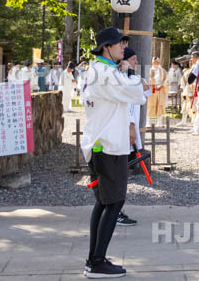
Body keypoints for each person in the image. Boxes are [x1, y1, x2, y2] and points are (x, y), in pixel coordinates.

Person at [80, 26, 147, 278]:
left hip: (103, 144)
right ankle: (96, 262)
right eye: (119, 43)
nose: (123, 46)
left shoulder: (99, 70)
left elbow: (138, 91)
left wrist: (130, 77)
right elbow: (139, 92)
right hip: (107, 146)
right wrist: (131, 74)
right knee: (114, 201)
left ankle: (94, 258)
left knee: (105, 201)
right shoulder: (105, 73)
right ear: (106, 47)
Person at [116, 45, 150, 228]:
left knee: (122, 172)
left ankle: (115, 210)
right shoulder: (120, 78)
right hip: (121, 132)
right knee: (117, 174)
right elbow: (127, 103)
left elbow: (146, 89)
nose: (136, 62)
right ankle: (115, 212)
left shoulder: (133, 78)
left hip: (128, 131)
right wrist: (130, 126)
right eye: (133, 59)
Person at [179, 53, 199, 127]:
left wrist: (192, 92)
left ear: (196, 58)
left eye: (192, 58)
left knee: (195, 108)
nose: (191, 61)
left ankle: (196, 125)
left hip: (194, 90)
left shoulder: (198, 67)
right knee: (188, 107)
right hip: (188, 90)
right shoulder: (189, 70)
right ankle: (193, 124)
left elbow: (194, 81)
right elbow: (185, 80)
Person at [146, 57, 167, 127]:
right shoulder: (149, 71)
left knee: (160, 105)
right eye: (154, 62)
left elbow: (166, 80)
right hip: (152, 90)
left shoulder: (163, 71)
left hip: (160, 90)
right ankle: (152, 123)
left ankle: (159, 122)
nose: (156, 64)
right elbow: (147, 80)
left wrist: (161, 85)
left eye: (157, 62)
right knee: (152, 106)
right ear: (152, 62)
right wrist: (153, 83)